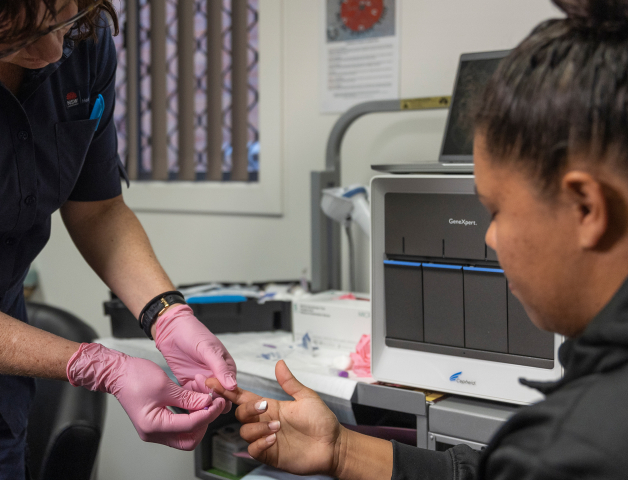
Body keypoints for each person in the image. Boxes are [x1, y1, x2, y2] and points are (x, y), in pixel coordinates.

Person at [209, 0, 628, 478]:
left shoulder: (564, 451)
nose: (488, 238)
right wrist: (344, 451)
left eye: (496, 211)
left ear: (587, 209)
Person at [0, 1, 236, 478]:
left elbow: (98, 211)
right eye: (17, 36)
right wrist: (102, 367)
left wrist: (167, 314)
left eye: (61, 20)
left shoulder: (84, 43)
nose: (54, 51)